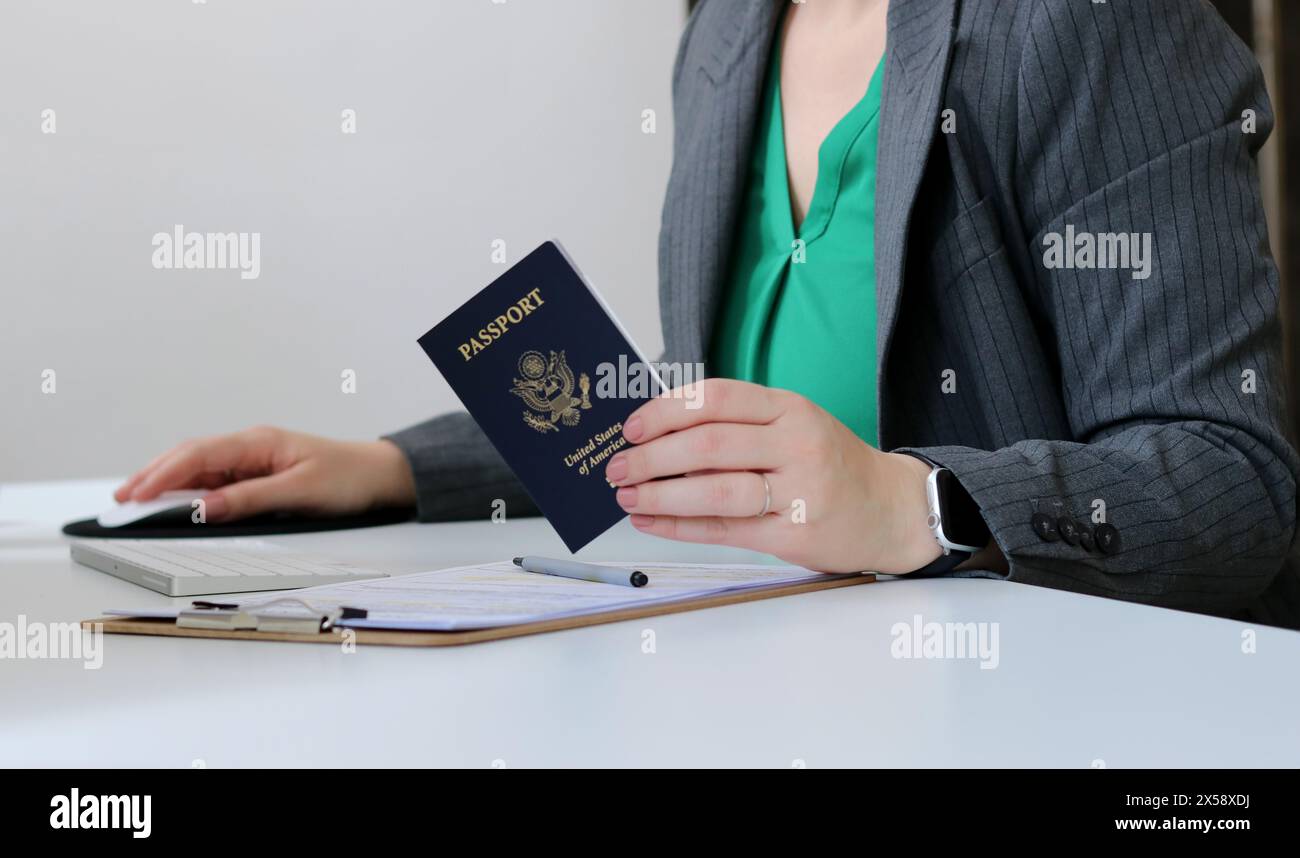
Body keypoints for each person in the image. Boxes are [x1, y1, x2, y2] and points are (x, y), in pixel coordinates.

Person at [113, 0, 1299, 621]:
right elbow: (697, 415)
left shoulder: (1094, 23)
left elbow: (1234, 476)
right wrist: (384, 466)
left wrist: (916, 505)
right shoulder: (720, 36)